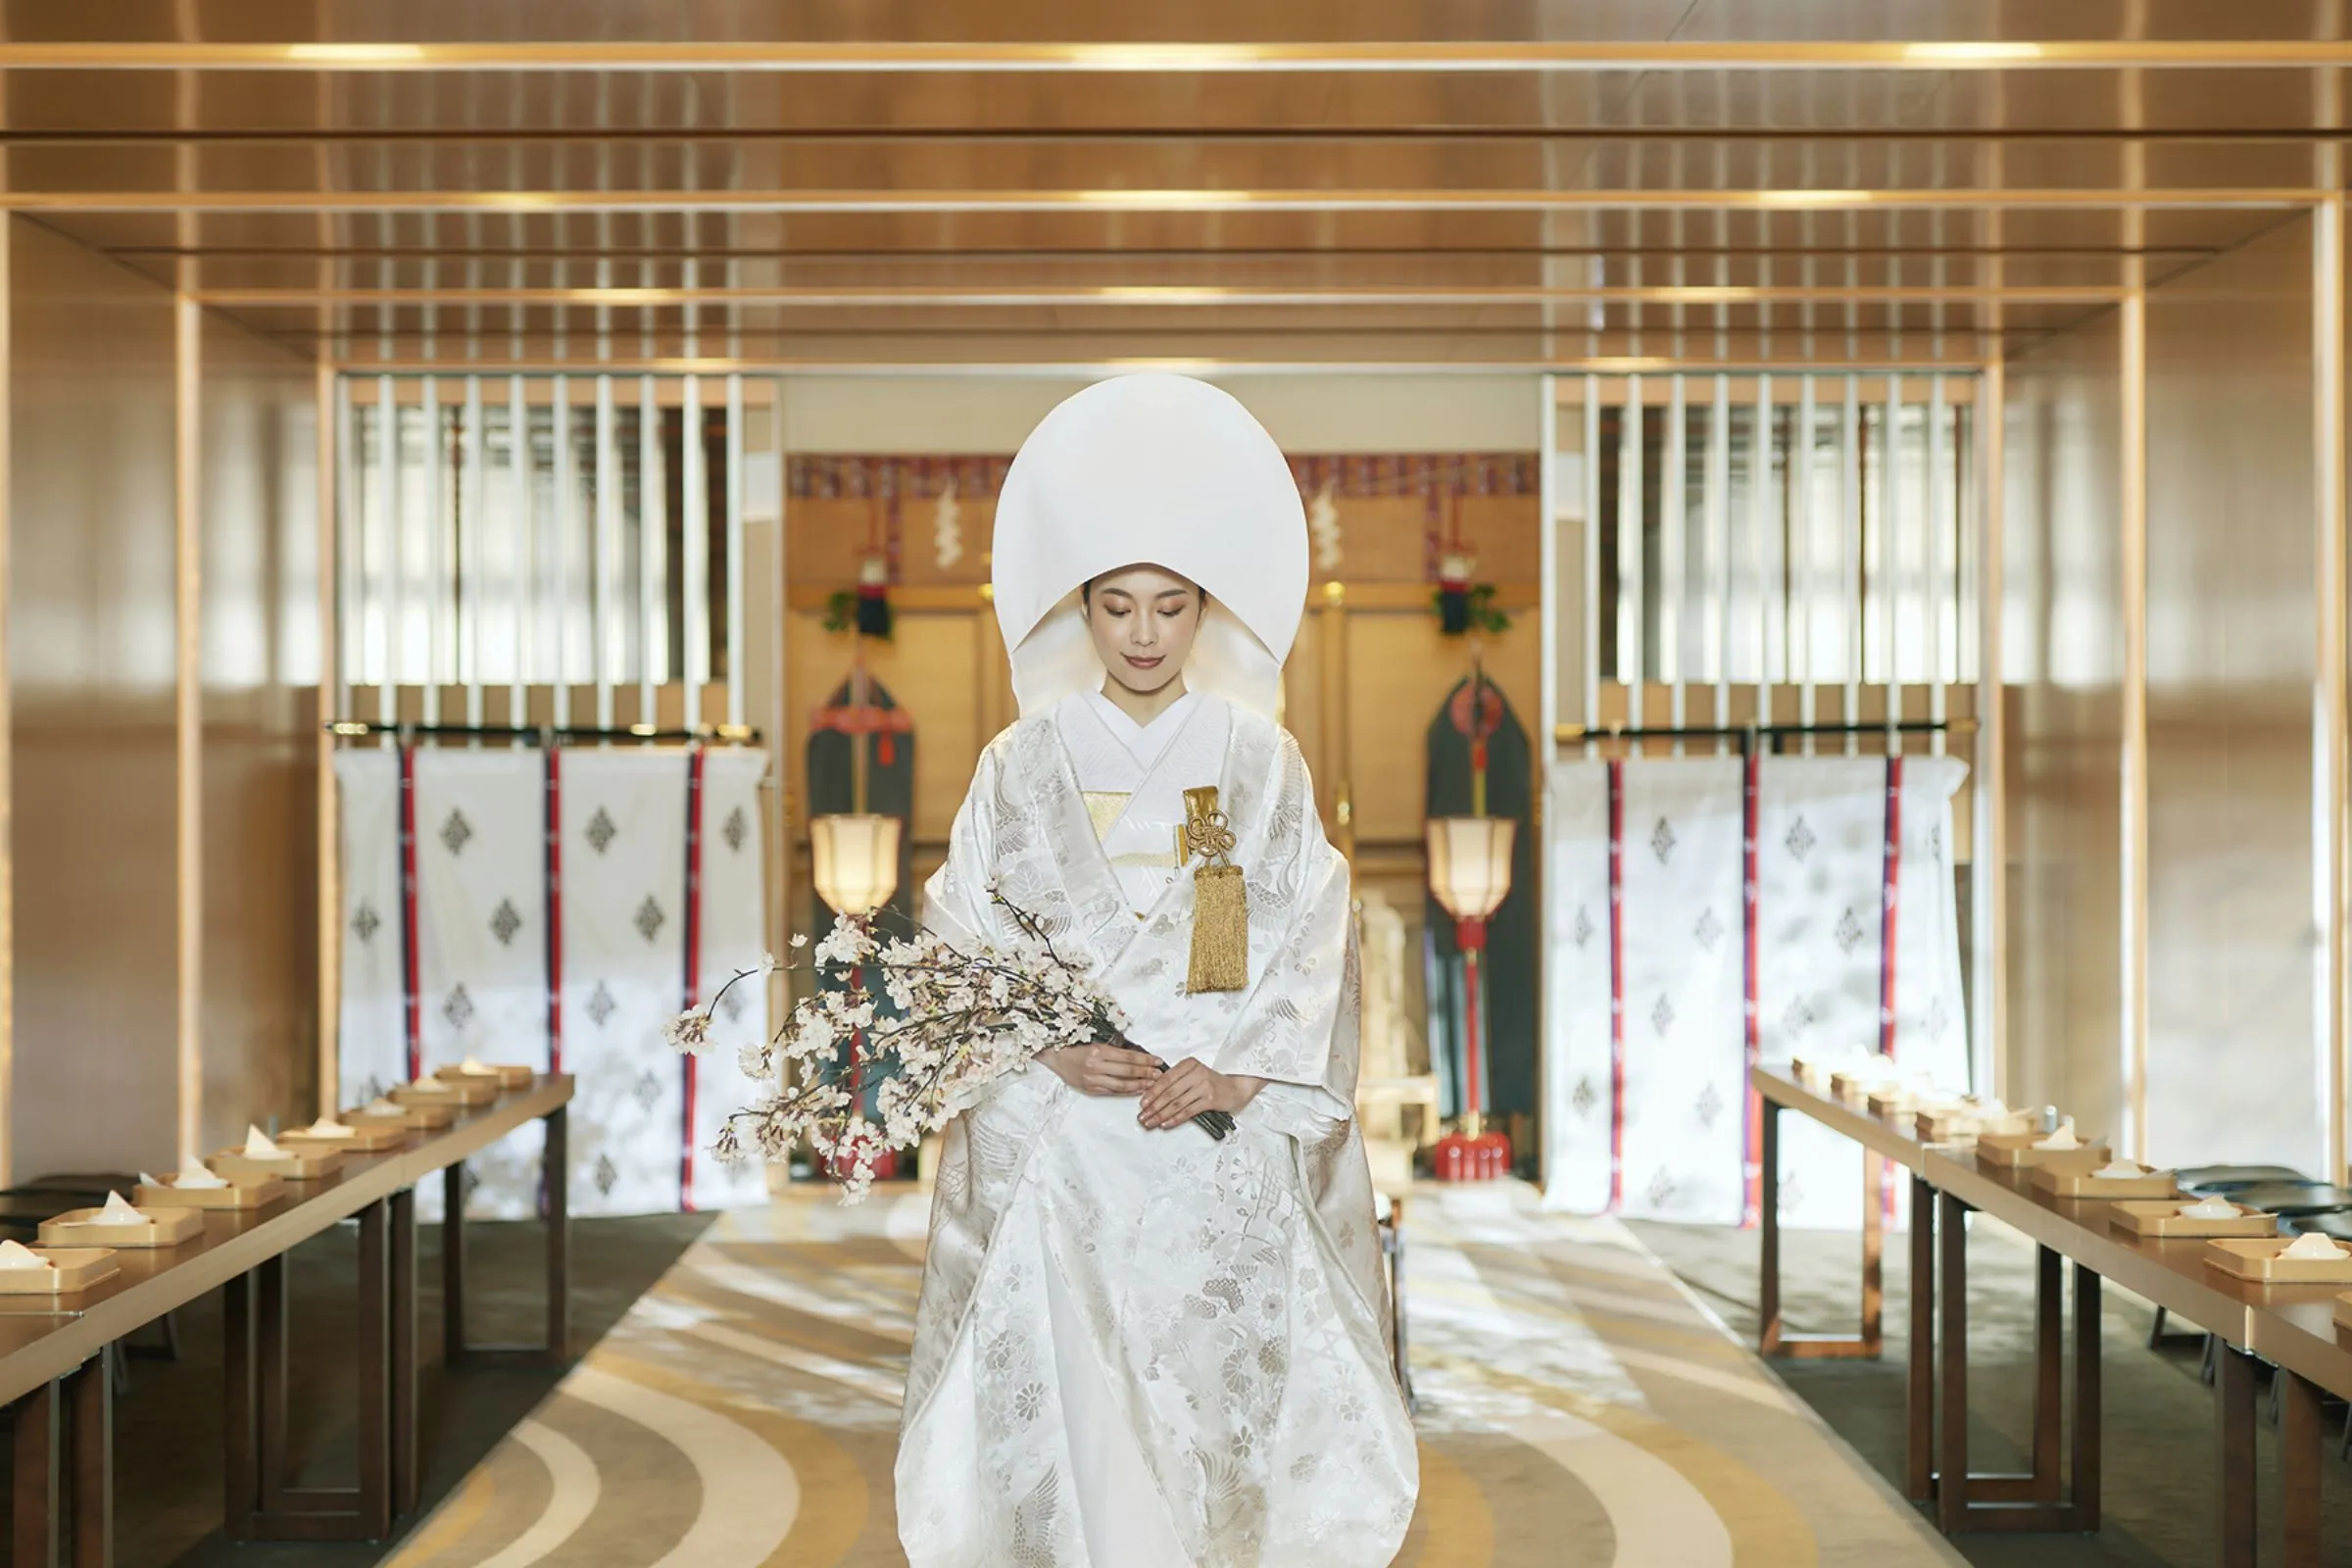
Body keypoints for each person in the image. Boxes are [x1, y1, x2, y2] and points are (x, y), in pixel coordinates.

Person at [895, 373, 1419, 1567]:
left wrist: (1237, 1075)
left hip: (1208, 1143)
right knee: (1076, 1424)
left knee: (1205, 1411)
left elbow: (1313, 933)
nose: (1143, 634)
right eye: (1118, 606)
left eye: (1170, 607)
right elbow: (960, 929)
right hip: (1065, 1142)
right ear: (1079, 608)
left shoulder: (1260, 761)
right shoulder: (1019, 763)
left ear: (1204, 612)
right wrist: (1047, 1049)